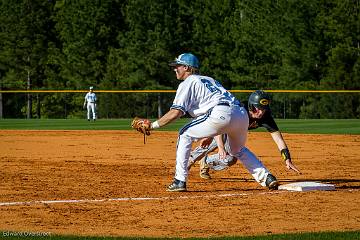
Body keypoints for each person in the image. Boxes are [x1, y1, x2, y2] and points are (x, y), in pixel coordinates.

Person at [147, 53, 279, 192]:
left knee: (184, 134)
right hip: (241, 114)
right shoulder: (209, 79)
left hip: (221, 113)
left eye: (177, 66)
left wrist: (153, 125)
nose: (175, 69)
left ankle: (180, 180)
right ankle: (267, 177)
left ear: (186, 67)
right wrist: (209, 133)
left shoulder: (188, 82)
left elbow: (176, 113)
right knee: (237, 150)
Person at [188, 90, 301, 179]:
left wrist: (287, 159)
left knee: (231, 159)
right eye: (258, 108)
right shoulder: (239, 109)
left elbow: (279, 139)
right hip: (221, 124)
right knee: (208, 142)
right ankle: (188, 162)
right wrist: (218, 144)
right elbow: (220, 126)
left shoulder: (266, 117)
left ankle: (206, 162)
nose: (261, 112)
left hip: (234, 132)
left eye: (264, 109)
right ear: (251, 106)